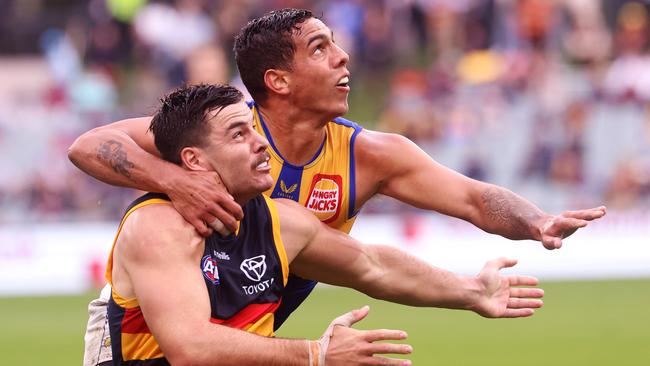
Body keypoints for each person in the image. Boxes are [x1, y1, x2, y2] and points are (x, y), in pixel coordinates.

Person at [68, 8, 605, 365]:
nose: (344, 57)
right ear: (277, 81)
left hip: (247, 326)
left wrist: (524, 233)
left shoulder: (351, 166)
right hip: (154, 334)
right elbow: (88, 146)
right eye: (320, 48)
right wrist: (174, 182)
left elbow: (390, 252)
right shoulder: (211, 135)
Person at [105, 83, 543, 365]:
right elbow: (191, 349)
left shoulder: (282, 222)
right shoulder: (158, 226)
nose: (261, 145)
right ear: (194, 161)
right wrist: (316, 354)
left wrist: (471, 292)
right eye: (239, 135)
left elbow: (372, 266)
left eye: (254, 130)